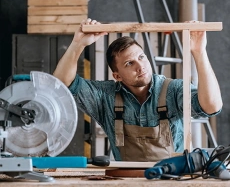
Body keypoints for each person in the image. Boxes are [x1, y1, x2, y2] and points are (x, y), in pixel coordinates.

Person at [53, 18, 223, 161]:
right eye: (129, 63)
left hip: (173, 181)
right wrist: (77, 44)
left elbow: (211, 107)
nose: (140, 66)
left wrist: (199, 52)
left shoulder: (174, 89)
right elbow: (61, 84)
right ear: (117, 76)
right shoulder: (106, 97)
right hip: (126, 182)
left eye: (141, 57)